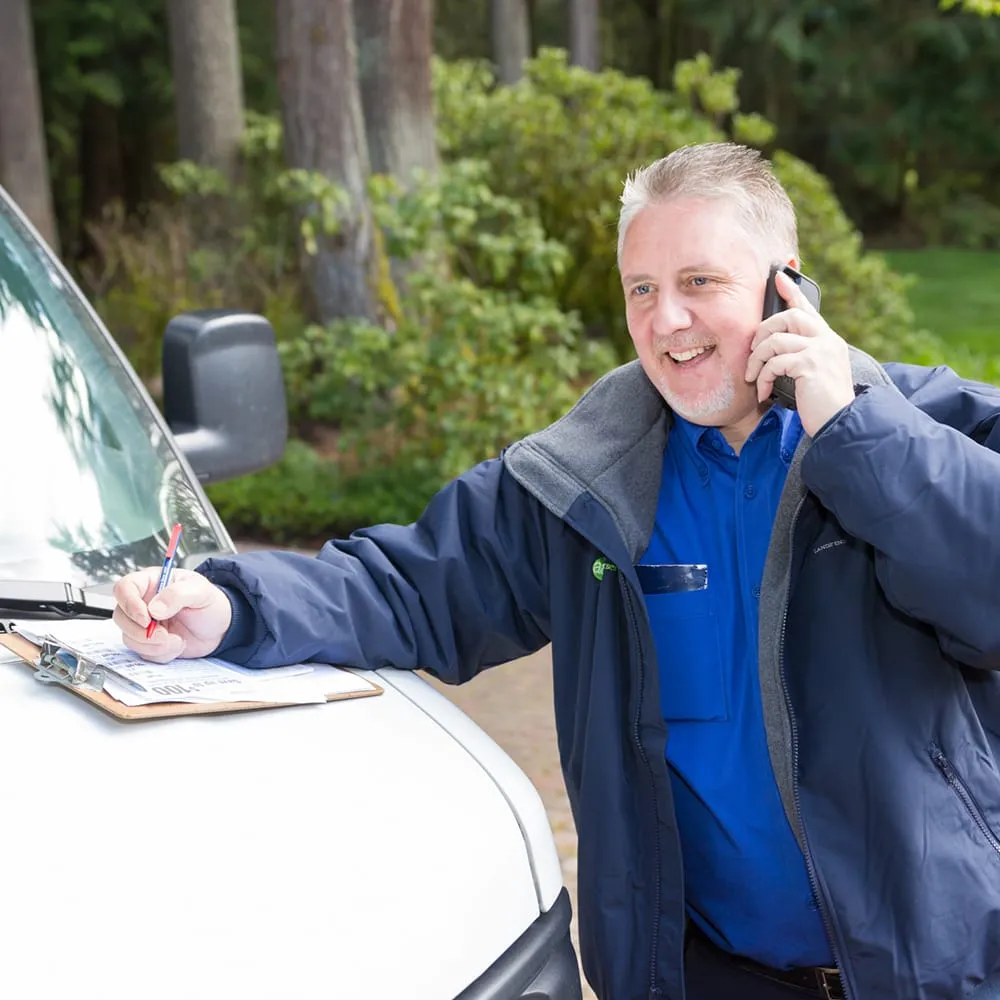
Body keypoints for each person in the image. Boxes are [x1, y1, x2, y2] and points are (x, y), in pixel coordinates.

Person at [113, 142, 1000, 1000]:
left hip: (944, 975)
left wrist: (855, 434)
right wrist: (229, 605)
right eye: (642, 290)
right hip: (710, 978)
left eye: (699, 283)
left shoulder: (928, 428)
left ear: (787, 285)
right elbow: (410, 585)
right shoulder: (588, 480)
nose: (665, 321)